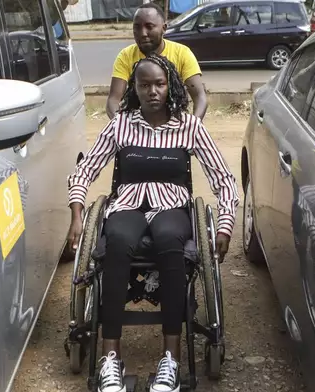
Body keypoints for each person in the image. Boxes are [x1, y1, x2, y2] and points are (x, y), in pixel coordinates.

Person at [66, 54, 238, 392]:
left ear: (170, 85)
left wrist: (225, 224)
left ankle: (169, 360)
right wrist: (76, 214)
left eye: (159, 84)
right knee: (116, 242)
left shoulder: (188, 126)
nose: (153, 91)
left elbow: (224, 179)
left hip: (172, 207)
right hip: (127, 205)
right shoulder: (121, 124)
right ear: (135, 89)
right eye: (144, 85)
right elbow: (84, 171)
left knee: (170, 242)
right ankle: (111, 358)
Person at [106, 3, 208, 121]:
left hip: (174, 124)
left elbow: (200, 97)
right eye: (137, 27)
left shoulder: (182, 53)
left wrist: (190, 128)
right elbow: (113, 100)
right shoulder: (125, 56)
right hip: (135, 125)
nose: (143, 33)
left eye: (149, 26)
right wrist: (122, 127)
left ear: (163, 28)